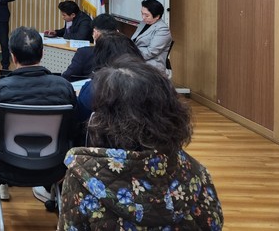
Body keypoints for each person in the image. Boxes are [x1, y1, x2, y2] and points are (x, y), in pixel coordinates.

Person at [59, 55, 224, 230]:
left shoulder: (81, 176)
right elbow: (213, 224)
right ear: (171, 112)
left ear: (102, 119)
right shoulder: (196, 173)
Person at [0, 26, 77, 202]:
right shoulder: (64, 87)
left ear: (13, 56)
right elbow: (73, 130)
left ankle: (1, 186)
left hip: (6, 168)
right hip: (53, 168)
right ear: (42, 53)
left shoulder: (0, 89)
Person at [61, 13, 118, 80]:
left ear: (95, 33)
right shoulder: (125, 51)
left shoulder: (84, 53)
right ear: (117, 32)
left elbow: (67, 77)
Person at [131, 0, 173, 72]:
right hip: (138, 60)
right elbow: (134, 41)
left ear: (157, 16)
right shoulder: (143, 23)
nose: (143, 17)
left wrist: (131, 54)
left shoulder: (162, 29)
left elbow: (150, 52)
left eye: (146, 15)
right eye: (142, 13)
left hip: (151, 66)